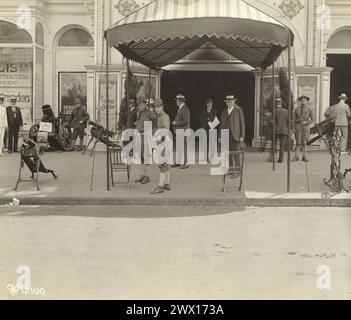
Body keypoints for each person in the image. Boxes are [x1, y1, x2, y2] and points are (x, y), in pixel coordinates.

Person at [150, 98, 172, 194]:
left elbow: (166, 131)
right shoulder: (158, 116)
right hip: (162, 141)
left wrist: (160, 143)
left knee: (161, 164)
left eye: (158, 107)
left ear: (162, 107)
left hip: (164, 141)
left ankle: (160, 186)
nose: (156, 109)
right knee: (166, 163)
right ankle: (167, 183)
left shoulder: (164, 117)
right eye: (155, 107)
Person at [220, 95, 245, 178]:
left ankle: (237, 171)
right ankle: (230, 170)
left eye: (231, 101)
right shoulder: (223, 112)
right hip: (226, 135)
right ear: (226, 103)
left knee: (236, 154)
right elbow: (221, 125)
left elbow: (242, 124)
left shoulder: (238, 110)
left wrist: (242, 136)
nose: (230, 103)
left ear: (234, 102)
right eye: (228, 102)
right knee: (228, 154)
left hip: (236, 136)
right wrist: (220, 136)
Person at [134, 96, 157, 185]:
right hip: (139, 137)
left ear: (145, 105)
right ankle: (143, 174)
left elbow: (155, 123)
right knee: (141, 157)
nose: (140, 107)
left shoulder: (150, 113)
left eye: (141, 105)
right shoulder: (138, 113)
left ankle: (147, 176)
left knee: (147, 157)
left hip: (146, 137)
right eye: (139, 105)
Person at [292, 95, 314, 162]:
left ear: (307, 101)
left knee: (304, 142)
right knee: (298, 142)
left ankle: (304, 157)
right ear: (300, 101)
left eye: (304, 100)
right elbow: (293, 119)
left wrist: (306, 122)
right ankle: (296, 156)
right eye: (302, 100)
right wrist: (293, 128)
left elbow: (312, 119)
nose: (303, 101)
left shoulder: (309, 109)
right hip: (298, 127)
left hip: (306, 127)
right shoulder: (297, 109)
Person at [172, 94, 191, 169]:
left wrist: (176, 123)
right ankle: (178, 162)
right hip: (180, 131)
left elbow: (186, 121)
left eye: (176, 101)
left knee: (184, 147)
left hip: (184, 131)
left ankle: (186, 163)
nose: (176, 102)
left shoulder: (185, 109)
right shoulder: (181, 108)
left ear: (180, 101)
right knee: (179, 147)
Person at [274, 98, 289, 163]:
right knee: (282, 145)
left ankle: (273, 156)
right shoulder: (286, 111)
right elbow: (288, 121)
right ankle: (281, 159)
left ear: (276, 103)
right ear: (281, 103)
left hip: (276, 130)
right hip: (284, 130)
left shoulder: (274, 111)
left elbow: (272, 121)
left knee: (274, 143)